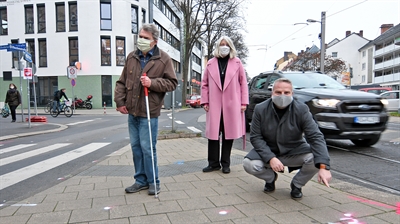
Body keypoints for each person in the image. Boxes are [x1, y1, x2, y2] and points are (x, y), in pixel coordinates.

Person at [114, 23, 177, 195]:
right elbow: (121, 81)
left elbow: (172, 83)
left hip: (149, 111)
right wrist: (120, 101)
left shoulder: (164, 59)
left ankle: (153, 181)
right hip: (132, 111)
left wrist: (152, 83)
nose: (140, 40)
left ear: (154, 41)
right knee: (136, 147)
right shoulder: (131, 57)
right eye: (140, 36)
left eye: (145, 38)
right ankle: (140, 180)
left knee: (148, 148)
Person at [243, 78, 331, 199]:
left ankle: (297, 184)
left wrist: (324, 167)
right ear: (272, 93)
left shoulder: (301, 109)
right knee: (249, 164)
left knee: (317, 158)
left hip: (294, 151)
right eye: (278, 92)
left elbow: (315, 136)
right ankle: (270, 178)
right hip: (269, 150)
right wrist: (270, 158)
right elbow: (255, 137)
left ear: (292, 94)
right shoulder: (260, 109)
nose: (282, 96)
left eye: (286, 93)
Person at [201, 36, 249, 174]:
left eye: (226, 44)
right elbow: (204, 84)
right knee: (213, 134)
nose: (224, 46)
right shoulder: (210, 63)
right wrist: (205, 101)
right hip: (214, 103)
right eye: (221, 44)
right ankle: (213, 163)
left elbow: (243, 83)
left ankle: (226, 163)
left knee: (229, 134)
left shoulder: (237, 63)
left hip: (232, 103)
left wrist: (244, 102)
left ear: (231, 46)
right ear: (217, 46)